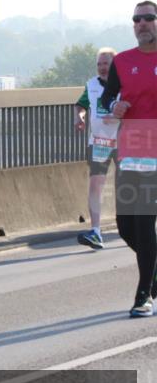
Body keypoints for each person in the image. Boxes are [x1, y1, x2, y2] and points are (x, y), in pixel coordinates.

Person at [100, 0, 157, 317]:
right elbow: (107, 96)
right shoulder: (122, 61)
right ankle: (154, 277)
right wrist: (114, 106)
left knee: (145, 222)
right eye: (137, 19)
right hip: (129, 152)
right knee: (126, 226)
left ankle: (143, 296)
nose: (142, 23)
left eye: (148, 17)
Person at [74, 47, 118, 249]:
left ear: (115, 65)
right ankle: (96, 232)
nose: (101, 68)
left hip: (124, 141)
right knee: (95, 186)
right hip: (99, 142)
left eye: (105, 63)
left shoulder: (126, 83)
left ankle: (139, 226)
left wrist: (119, 116)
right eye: (99, 64)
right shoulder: (91, 84)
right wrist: (80, 117)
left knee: (130, 185)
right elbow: (81, 104)